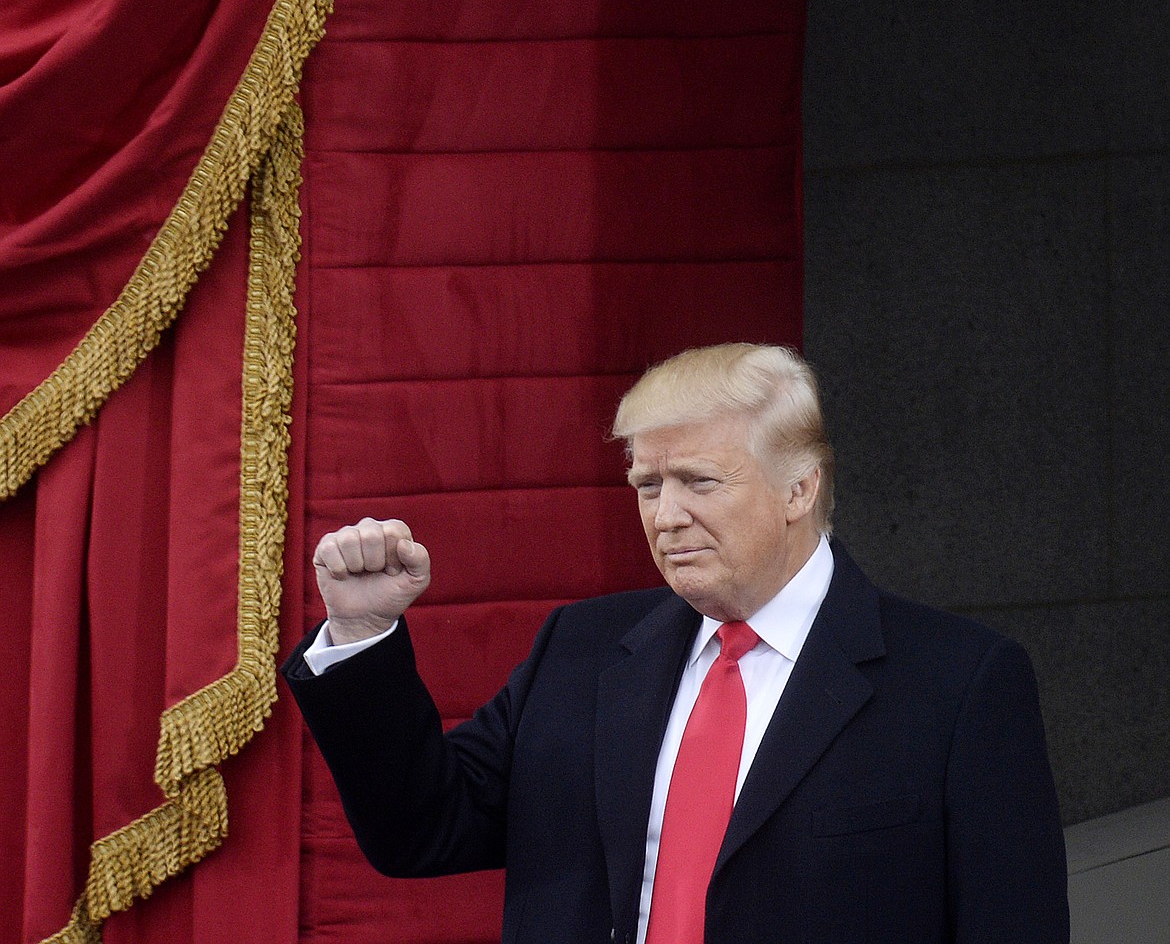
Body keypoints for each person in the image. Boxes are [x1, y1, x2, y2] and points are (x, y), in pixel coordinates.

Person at [283, 343, 1070, 944]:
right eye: (648, 486)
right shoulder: (580, 650)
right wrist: (361, 631)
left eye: (698, 481)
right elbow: (423, 827)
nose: (665, 516)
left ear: (800, 487)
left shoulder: (960, 683)